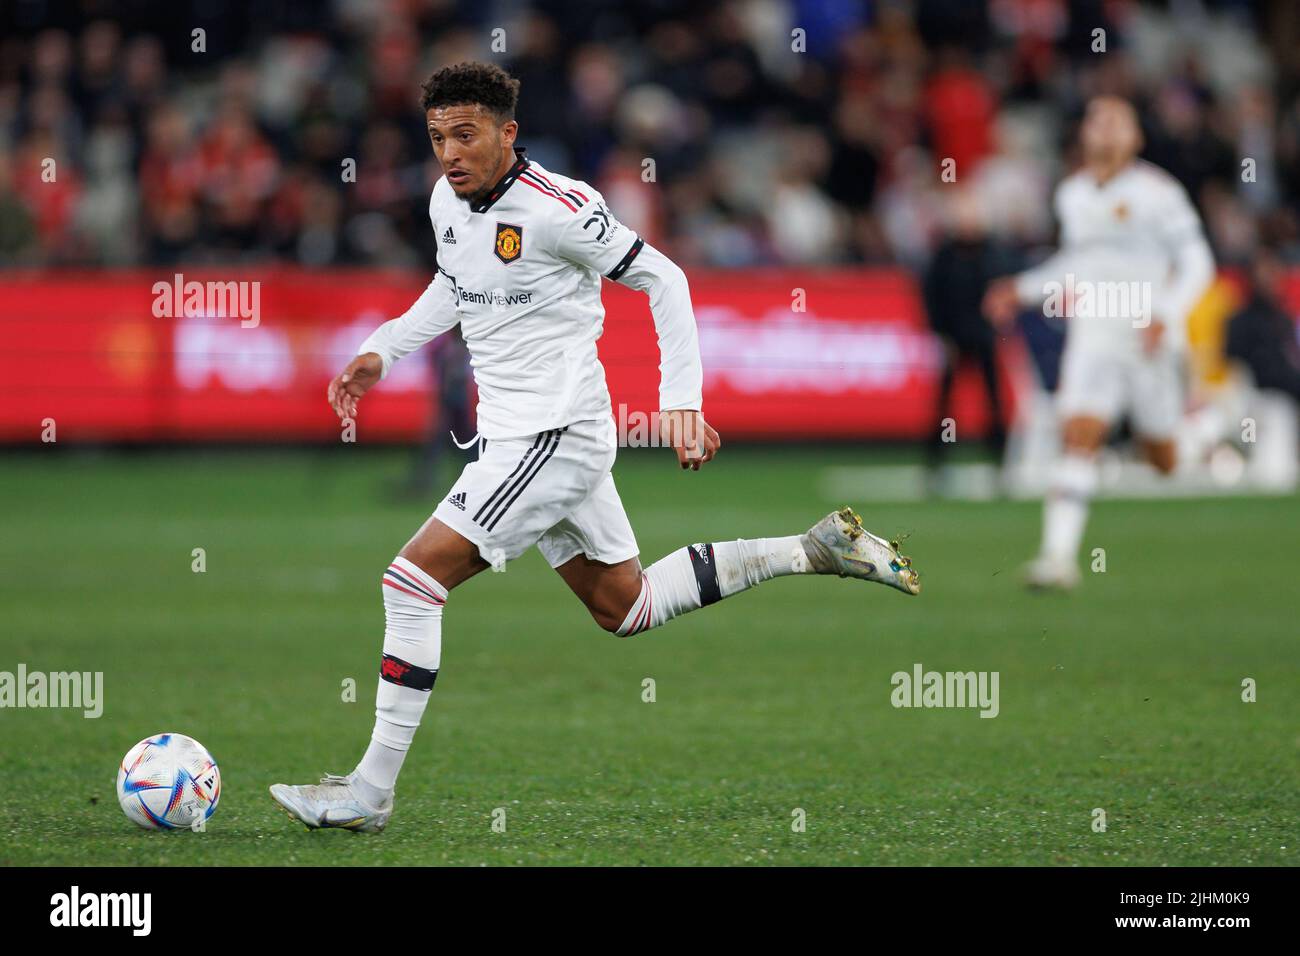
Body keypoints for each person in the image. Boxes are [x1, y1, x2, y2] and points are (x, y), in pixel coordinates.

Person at [270, 62, 920, 832]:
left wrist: (681, 403)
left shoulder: (561, 209)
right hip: (522, 440)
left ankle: (368, 793)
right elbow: (454, 285)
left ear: (508, 134)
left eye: (466, 134)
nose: (449, 151)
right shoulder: (448, 199)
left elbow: (666, 279)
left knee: (410, 583)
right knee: (627, 607)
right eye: (438, 135)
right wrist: (383, 350)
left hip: (552, 437)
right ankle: (810, 551)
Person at [983, 96, 1215, 589]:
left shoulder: (1159, 193)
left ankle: (1205, 435)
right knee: (1078, 436)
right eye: (1096, 119)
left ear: (1136, 138)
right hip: (1094, 336)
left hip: (1147, 337)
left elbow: (1199, 264)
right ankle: (1057, 559)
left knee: (1164, 461)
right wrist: (1020, 290)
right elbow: (1075, 267)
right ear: (1084, 135)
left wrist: (1166, 315)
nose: (1105, 128)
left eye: (1118, 121)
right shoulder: (1072, 194)